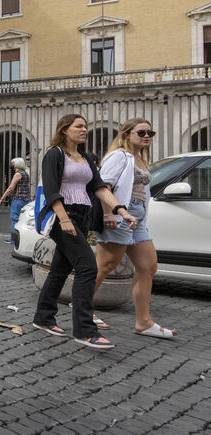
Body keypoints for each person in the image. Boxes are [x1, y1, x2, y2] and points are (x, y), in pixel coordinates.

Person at [32, 114, 136, 350]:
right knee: (88, 266)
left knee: (60, 269)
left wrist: (121, 210)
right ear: (64, 129)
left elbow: (99, 188)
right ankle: (85, 330)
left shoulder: (87, 159)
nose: (84, 129)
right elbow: (50, 189)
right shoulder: (54, 154)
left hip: (81, 216)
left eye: (86, 126)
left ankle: (43, 317)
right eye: (79, 126)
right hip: (63, 216)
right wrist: (64, 218)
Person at [93, 118, 178, 338]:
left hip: (137, 219)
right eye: (141, 133)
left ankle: (144, 322)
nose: (147, 136)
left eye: (150, 132)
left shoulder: (139, 158)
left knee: (148, 267)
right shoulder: (119, 156)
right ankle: (82, 307)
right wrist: (108, 213)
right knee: (105, 266)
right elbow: (104, 186)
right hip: (120, 215)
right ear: (126, 134)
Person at [0, 157, 32, 242]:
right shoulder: (25, 173)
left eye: (12, 163)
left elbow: (10, 188)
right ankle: (22, 238)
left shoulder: (18, 174)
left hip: (18, 200)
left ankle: (13, 239)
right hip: (26, 199)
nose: (11, 165)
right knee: (23, 220)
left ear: (16, 164)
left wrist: (2, 198)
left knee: (14, 219)